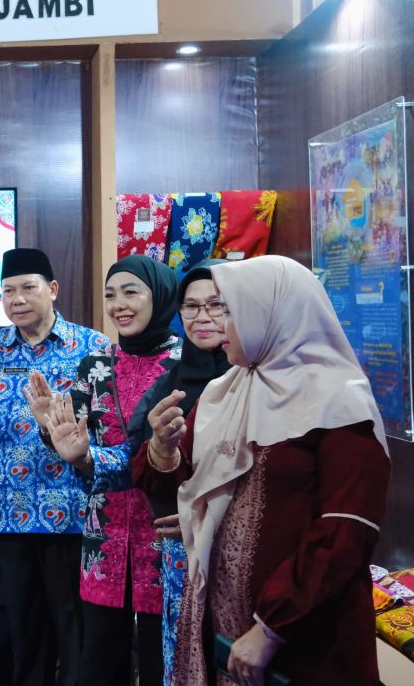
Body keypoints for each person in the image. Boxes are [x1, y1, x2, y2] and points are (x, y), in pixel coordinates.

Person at [134, 255, 389, 686]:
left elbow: (345, 530)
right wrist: (161, 446)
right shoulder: (224, 392)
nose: (221, 326)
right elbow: (176, 487)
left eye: (231, 311)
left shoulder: (339, 402)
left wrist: (271, 628)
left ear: (272, 316)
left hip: (304, 633)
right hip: (220, 622)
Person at [0, 247, 110, 686]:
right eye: (8, 291)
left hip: (69, 507)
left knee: (73, 626)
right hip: (7, 508)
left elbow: (107, 426)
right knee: (25, 630)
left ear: (52, 289)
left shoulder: (91, 346)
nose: (17, 299)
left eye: (27, 288)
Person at [34, 254, 179, 686]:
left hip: (168, 533)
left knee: (162, 662)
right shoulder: (96, 366)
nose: (119, 305)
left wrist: (89, 458)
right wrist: (51, 430)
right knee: (98, 661)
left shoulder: (186, 363)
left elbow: (155, 452)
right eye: (111, 295)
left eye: (131, 292)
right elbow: (75, 443)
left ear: (160, 296)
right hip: (105, 535)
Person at [126, 259, 231, 686]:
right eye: (190, 305)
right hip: (181, 557)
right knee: (186, 662)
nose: (201, 317)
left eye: (216, 304)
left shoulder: (262, 378)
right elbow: (143, 470)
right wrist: (159, 451)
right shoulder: (169, 385)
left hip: (241, 554)